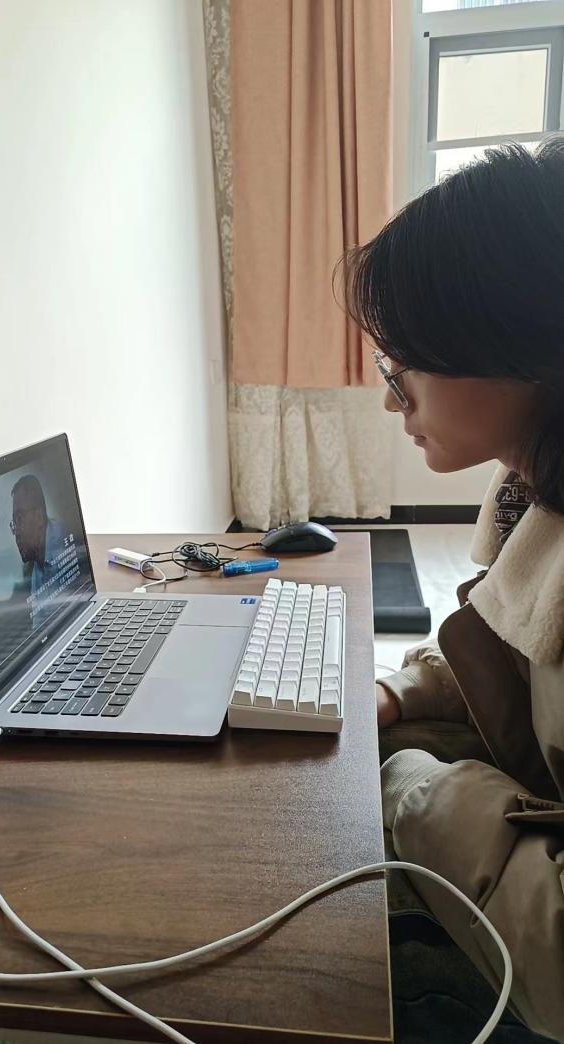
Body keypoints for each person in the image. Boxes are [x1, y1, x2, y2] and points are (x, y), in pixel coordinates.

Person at [339, 140, 564, 1042]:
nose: (391, 401)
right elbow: (508, 645)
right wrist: (400, 690)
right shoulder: (528, 488)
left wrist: (413, 792)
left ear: (514, 345)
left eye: (401, 370)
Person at [11, 474, 69, 628]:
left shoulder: (64, 539)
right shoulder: (36, 569)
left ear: (39, 516)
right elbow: (39, 627)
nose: (16, 532)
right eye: (14, 523)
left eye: (20, 519)